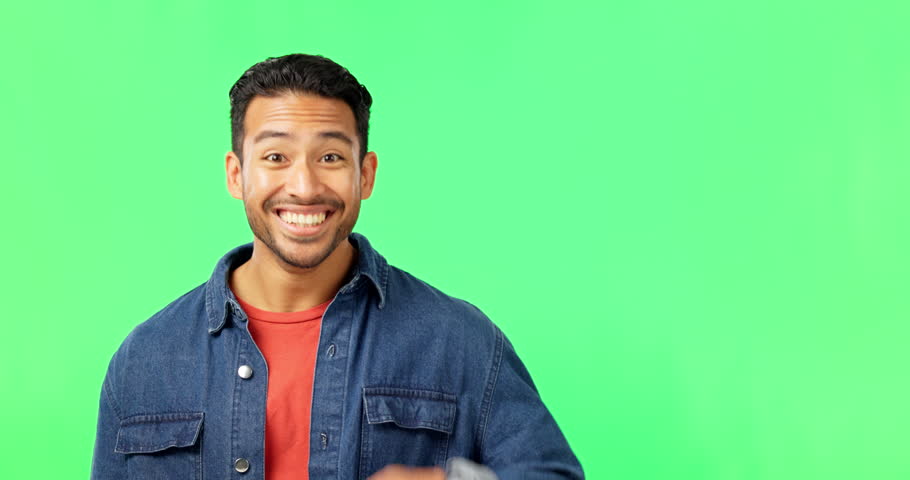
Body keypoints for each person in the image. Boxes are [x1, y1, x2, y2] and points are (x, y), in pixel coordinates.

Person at [90, 53, 583, 480]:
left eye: (329, 156)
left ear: (364, 175)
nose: (303, 186)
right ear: (236, 174)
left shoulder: (460, 342)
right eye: (276, 156)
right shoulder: (144, 360)